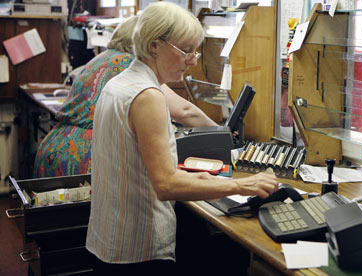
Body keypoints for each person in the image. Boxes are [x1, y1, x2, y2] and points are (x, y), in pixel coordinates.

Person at [85, 2, 279, 275]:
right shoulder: (148, 96)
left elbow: (140, 168)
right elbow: (165, 185)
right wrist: (242, 186)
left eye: (196, 51)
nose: (193, 60)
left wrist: (200, 179)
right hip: (137, 252)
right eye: (186, 50)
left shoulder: (120, 84)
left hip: (108, 241)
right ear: (154, 45)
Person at [33, 16, 217, 178]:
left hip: (56, 147)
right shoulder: (129, 64)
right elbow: (184, 111)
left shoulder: (104, 57)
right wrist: (221, 133)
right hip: (81, 156)